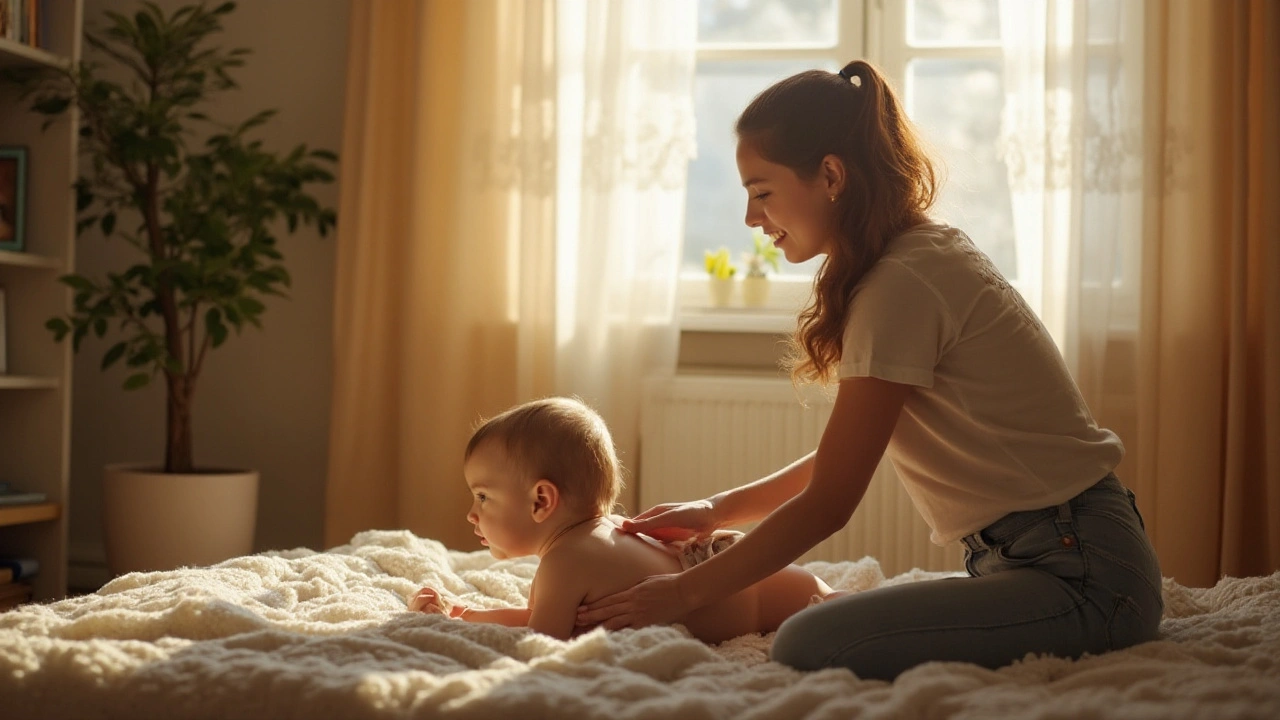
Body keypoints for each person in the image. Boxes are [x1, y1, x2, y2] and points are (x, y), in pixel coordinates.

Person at [574, 60, 1164, 681]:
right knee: (826, 624)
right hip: (1065, 555)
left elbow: (831, 501)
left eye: (762, 192)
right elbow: (848, 457)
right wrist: (717, 509)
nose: (751, 219)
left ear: (830, 175)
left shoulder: (900, 285)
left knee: (807, 643)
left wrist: (679, 595)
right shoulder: (911, 259)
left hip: (1086, 578)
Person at [407, 396, 834, 643]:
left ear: (541, 500)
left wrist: (461, 626)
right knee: (842, 607)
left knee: (848, 624)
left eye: (483, 496)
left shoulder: (565, 562)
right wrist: (466, 613)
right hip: (784, 590)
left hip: (784, 610)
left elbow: (541, 638)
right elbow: (551, 617)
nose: (471, 513)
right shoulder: (604, 533)